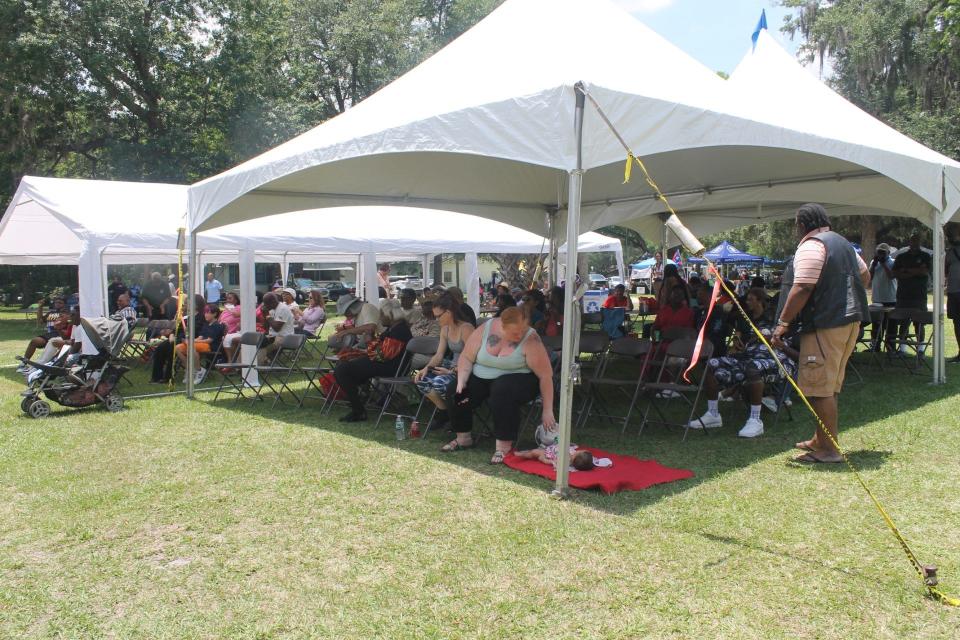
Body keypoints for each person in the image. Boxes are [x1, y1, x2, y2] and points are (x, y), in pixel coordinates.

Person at [772, 203, 869, 464]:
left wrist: (783, 323)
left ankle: (829, 450)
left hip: (825, 324)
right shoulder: (844, 244)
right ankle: (820, 439)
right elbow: (865, 276)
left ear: (802, 225)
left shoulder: (811, 246)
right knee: (827, 385)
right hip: (850, 322)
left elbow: (802, 287)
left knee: (819, 388)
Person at [444, 307, 556, 464]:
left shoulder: (531, 339)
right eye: (514, 332)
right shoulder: (486, 328)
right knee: (454, 389)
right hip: (483, 375)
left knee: (502, 390)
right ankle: (463, 438)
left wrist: (547, 410)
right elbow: (467, 357)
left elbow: (545, 376)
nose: (519, 335)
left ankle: (504, 446)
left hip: (519, 378)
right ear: (502, 326)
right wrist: (461, 381)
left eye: (522, 330)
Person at [690, 288, 798, 438]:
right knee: (711, 364)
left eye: (750, 299)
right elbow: (744, 340)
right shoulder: (750, 320)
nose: (747, 302)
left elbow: (793, 350)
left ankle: (755, 420)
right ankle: (713, 414)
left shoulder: (784, 322)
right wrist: (741, 344)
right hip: (749, 355)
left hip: (776, 359)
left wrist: (777, 343)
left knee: (752, 368)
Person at [334, 299, 412, 422]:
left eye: (381, 314)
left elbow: (383, 355)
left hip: (391, 367)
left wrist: (369, 342)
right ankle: (359, 402)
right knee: (344, 367)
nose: (380, 318)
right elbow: (381, 349)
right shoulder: (393, 328)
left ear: (389, 315)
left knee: (342, 370)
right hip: (385, 364)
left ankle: (358, 410)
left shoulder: (399, 331)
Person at [414, 292, 476, 417]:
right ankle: (445, 412)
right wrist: (426, 369)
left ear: (448, 313)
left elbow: (474, 358)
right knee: (422, 380)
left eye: (438, 316)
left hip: (467, 370)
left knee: (439, 382)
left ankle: (455, 413)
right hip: (453, 368)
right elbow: (439, 355)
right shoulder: (445, 329)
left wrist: (451, 372)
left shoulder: (466, 328)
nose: (436, 319)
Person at [890, 234, 932, 356]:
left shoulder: (925, 256)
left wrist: (906, 270)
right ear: (910, 241)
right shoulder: (901, 256)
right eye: (913, 240)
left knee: (919, 323)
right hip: (903, 295)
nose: (914, 242)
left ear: (920, 242)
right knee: (903, 322)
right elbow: (894, 273)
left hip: (919, 295)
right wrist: (915, 271)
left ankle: (920, 350)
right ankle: (902, 349)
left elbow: (924, 272)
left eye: (917, 240)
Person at [151, 294, 206, 383]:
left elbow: (197, 331)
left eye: (188, 303)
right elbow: (177, 329)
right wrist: (172, 335)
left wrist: (180, 338)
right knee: (160, 348)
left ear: (196, 304)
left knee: (171, 349)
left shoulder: (201, 317)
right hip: (177, 338)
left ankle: (168, 377)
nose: (186, 305)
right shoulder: (185, 316)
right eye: (186, 303)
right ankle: (156, 376)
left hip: (189, 340)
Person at [175, 305, 225, 384]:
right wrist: (190, 340)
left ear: (215, 314)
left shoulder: (217, 326)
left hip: (211, 346)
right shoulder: (206, 324)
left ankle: (199, 370)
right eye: (205, 313)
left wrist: (192, 342)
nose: (205, 315)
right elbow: (200, 337)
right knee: (178, 347)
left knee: (191, 347)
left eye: (208, 313)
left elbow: (209, 340)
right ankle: (190, 370)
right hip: (200, 345)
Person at [18, 297, 70, 372]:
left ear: (64, 304)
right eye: (56, 302)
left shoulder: (67, 313)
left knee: (54, 344)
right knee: (34, 341)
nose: (57, 304)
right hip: (50, 334)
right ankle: (24, 362)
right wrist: (40, 307)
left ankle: (47, 365)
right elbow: (40, 321)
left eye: (60, 303)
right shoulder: (51, 313)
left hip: (61, 334)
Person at [869, 242, 897, 351]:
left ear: (888, 253)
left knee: (890, 325)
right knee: (876, 324)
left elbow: (891, 276)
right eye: (878, 252)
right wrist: (875, 264)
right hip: (877, 298)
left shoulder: (893, 262)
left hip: (890, 298)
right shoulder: (874, 262)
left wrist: (884, 263)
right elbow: (869, 277)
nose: (880, 254)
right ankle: (875, 345)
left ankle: (890, 347)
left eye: (883, 252)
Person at [260, 291, 296, 363]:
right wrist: (264, 315)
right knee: (258, 342)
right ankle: (265, 361)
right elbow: (266, 328)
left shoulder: (283, 309)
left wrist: (267, 316)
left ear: (272, 302)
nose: (265, 305)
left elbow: (277, 328)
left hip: (284, 337)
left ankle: (261, 363)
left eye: (266, 303)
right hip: (273, 336)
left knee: (263, 347)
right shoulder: (272, 309)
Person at [513, 443, 596, 471]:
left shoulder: (565, 461)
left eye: (581, 451)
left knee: (533, 452)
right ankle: (527, 452)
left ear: (575, 456)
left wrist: (543, 459)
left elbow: (552, 462)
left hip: (546, 453)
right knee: (534, 450)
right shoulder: (573, 453)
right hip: (552, 447)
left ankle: (521, 455)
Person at [946, 232, 960, 362]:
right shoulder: (950, 252)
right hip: (953, 291)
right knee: (956, 321)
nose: (950, 238)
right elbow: (945, 269)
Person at [219, 292, 243, 362]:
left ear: (236, 300)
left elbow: (236, 315)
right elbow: (219, 320)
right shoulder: (225, 310)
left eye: (230, 298)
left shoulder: (239, 307)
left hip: (231, 332)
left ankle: (230, 362)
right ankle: (226, 361)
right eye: (227, 299)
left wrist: (231, 309)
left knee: (226, 338)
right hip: (222, 330)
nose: (228, 300)